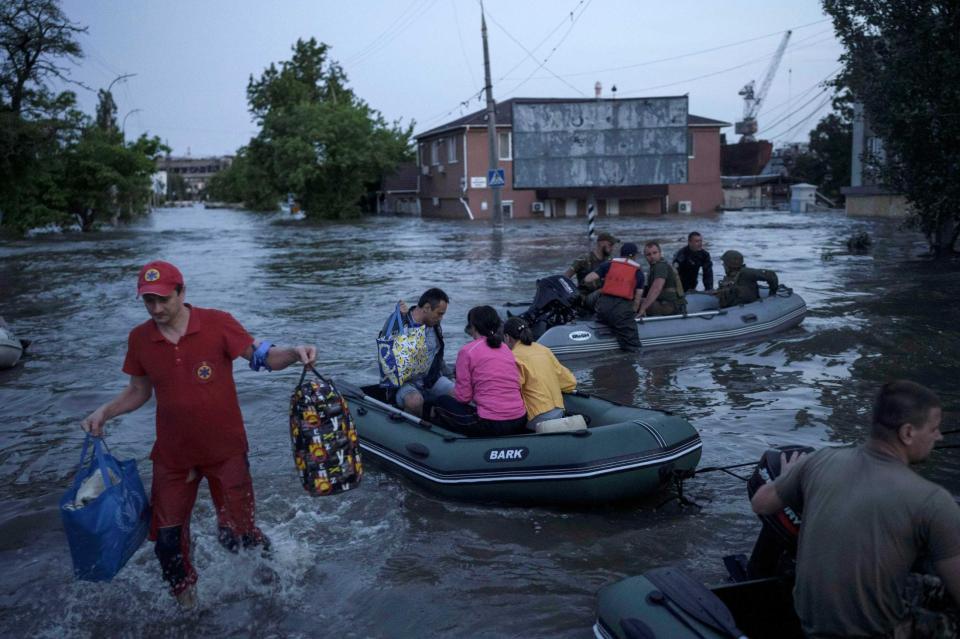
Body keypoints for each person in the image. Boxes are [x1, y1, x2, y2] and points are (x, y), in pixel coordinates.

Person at [80, 260, 316, 609]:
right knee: (167, 542)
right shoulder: (140, 339)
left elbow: (262, 356)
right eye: (149, 301)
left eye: (163, 299)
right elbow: (138, 391)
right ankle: (190, 612)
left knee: (238, 535)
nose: (157, 309)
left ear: (181, 292)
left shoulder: (217, 323)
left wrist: (295, 353)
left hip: (226, 451)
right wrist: (104, 411)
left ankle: (277, 574)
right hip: (173, 457)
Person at [751, 380, 960, 638]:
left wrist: (791, 476)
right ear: (907, 433)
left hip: (810, 625)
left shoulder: (819, 460)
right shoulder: (933, 500)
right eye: (934, 429)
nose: (939, 436)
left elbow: (760, 503)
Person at [432, 306, 527, 436]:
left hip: (491, 423)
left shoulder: (467, 351)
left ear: (473, 327)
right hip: (519, 419)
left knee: (440, 402)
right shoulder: (506, 349)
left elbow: (463, 397)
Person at [380, 288, 454, 417]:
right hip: (404, 384)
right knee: (414, 401)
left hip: (430, 380)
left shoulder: (433, 325)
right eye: (439, 313)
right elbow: (387, 362)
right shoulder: (398, 323)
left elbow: (437, 356)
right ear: (426, 307)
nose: (441, 318)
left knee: (460, 393)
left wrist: (452, 377)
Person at [502, 316, 576, 429]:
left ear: (507, 337)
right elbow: (570, 382)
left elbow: (510, 393)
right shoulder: (544, 350)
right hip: (559, 412)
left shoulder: (513, 357)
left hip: (537, 418)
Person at [584, 242, 645, 352]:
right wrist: (633, 313)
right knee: (634, 348)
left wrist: (603, 286)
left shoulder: (608, 265)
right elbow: (637, 299)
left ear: (621, 254)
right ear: (634, 256)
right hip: (621, 311)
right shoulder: (638, 272)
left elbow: (588, 279)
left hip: (603, 308)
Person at [564, 231, 618, 311]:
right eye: (610, 245)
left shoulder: (610, 262)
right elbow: (565, 278)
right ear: (600, 243)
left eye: (613, 246)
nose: (612, 248)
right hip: (585, 299)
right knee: (603, 291)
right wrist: (572, 295)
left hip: (603, 299)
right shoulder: (583, 259)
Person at [713, 250, 779, 308]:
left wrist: (772, 294)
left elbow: (771, 275)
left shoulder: (746, 273)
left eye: (724, 263)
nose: (723, 265)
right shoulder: (729, 277)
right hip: (733, 310)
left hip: (749, 307)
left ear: (730, 264)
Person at [637, 241, 686, 317]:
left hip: (671, 306)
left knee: (636, 302)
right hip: (671, 304)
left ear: (660, 253)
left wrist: (643, 307)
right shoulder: (655, 267)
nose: (652, 256)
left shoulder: (660, 266)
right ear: (645, 257)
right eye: (648, 254)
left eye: (655, 253)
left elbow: (657, 288)